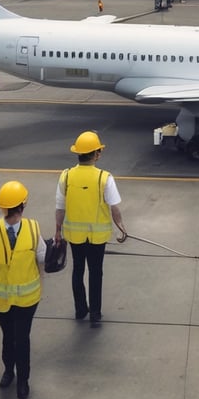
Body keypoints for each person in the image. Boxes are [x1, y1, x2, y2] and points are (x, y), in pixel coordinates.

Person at [0, 181, 46, 399]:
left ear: (2, 208)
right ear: (23, 205)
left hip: (12, 300)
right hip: (21, 299)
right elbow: (43, 256)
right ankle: (16, 377)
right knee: (15, 337)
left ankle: (15, 376)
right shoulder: (33, 229)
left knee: (16, 337)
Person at [55, 131, 127, 327]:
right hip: (97, 237)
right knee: (96, 272)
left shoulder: (66, 176)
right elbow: (114, 208)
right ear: (95, 154)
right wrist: (121, 228)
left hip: (74, 235)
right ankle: (95, 312)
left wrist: (57, 231)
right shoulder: (104, 178)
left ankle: (80, 309)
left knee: (77, 269)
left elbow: (60, 208)